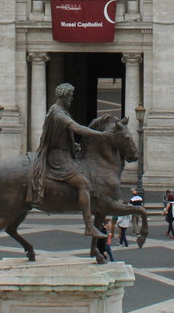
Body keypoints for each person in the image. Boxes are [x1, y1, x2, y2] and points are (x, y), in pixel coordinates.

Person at [28, 82, 111, 239]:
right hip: (58, 158)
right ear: (64, 96)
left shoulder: (61, 111)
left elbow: (64, 135)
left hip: (64, 153)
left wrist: (74, 145)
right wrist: (100, 135)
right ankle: (89, 227)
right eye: (70, 96)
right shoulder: (57, 113)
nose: (72, 99)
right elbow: (77, 128)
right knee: (84, 183)